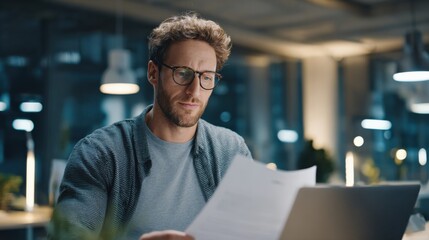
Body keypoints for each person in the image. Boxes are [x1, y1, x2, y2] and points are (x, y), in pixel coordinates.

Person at [49, 12, 252, 240]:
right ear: (153, 73)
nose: (194, 91)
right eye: (182, 73)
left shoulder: (232, 150)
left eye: (207, 77)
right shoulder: (100, 153)